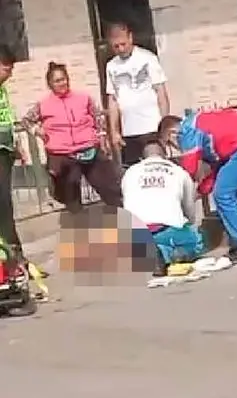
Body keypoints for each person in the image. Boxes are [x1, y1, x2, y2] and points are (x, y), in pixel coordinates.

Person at [158, 107, 237, 264]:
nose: (175, 147)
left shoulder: (187, 129)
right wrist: (200, 191)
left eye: (170, 143)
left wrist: (183, 193)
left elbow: (190, 167)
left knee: (223, 192)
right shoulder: (204, 126)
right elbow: (215, 169)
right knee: (227, 187)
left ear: (171, 133)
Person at [21, 62, 123, 214]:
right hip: (62, 155)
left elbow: (97, 117)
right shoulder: (43, 104)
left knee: (110, 189)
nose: (62, 83)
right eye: (57, 81)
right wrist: (37, 130)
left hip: (89, 149)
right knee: (71, 198)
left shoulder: (83, 98)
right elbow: (26, 121)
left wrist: (101, 136)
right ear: (50, 84)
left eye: (63, 79)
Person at [122, 141, 205, 275]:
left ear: (142, 159)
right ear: (165, 156)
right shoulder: (179, 172)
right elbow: (190, 211)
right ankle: (172, 253)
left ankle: (152, 254)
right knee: (197, 240)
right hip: (167, 229)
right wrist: (188, 224)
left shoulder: (130, 173)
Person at [105, 21, 170, 168]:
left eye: (123, 44)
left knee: (156, 170)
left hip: (152, 127)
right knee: (133, 175)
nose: (121, 49)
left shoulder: (147, 58)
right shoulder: (111, 66)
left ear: (130, 38)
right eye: (116, 46)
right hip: (129, 131)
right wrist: (114, 132)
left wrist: (164, 126)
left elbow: (161, 92)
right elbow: (113, 100)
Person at [0, 46, 24, 260]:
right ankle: (13, 258)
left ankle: (15, 258)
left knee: (5, 206)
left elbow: (6, 119)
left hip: (5, 150)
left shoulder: (2, 89)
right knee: (3, 206)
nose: (10, 74)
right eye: (6, 69)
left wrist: (17, 146)